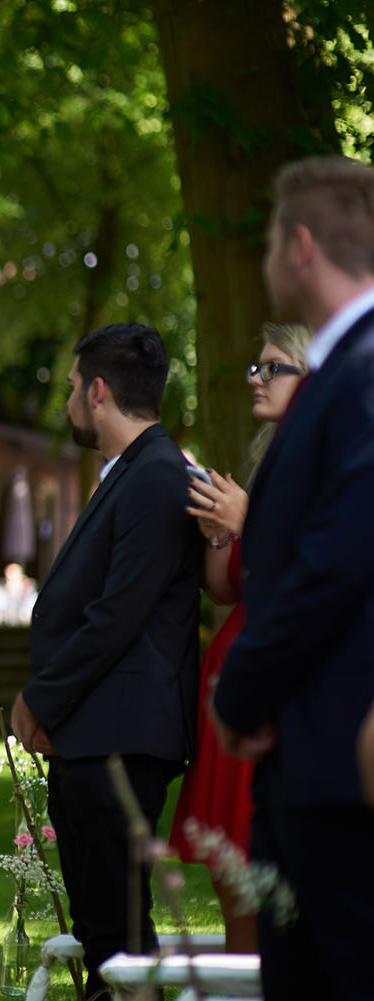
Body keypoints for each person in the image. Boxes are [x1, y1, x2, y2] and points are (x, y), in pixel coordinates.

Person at [212, 155, 374, 1001]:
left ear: (301, 245)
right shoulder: (337, 376)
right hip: (307, 762)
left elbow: (338, 559)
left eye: (273, 237)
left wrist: (242, 691)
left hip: (346, 766)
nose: (268, 257)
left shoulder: (367, 370)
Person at [10, 322, 202, 998]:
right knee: (101, 932)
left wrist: (40, 697)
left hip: (122, 736)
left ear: (98, 391)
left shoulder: (156, 475)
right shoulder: (131, 472)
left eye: (70, 387)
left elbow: (117, 616)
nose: (66, 401)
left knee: (119, 936)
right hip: (94, 734)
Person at [167, 323, 309, 954]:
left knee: (267, 859)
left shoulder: (335, 460)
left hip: (282, 678)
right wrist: (220, 531)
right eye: (256, 367)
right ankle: (239, 978)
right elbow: (227, 590)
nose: (256, 377)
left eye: (273, 368)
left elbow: (318, 575)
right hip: (232, 661)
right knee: (230, 866)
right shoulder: (267, 455)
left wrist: (248, 519)